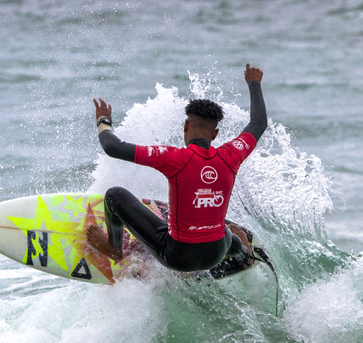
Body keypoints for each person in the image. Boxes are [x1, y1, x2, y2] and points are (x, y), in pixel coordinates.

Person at [87, 63, 267, 273]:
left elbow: (112, 147)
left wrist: (103, 120)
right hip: (216, 252)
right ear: (215, 134)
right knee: (222, 231)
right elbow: (258, 123)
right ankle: (244, 255)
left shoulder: (175, 158)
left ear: (186, 126)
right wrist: (254, 83)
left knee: (114, 195)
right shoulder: (231, 155)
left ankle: (113, 248)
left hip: (177, 257)